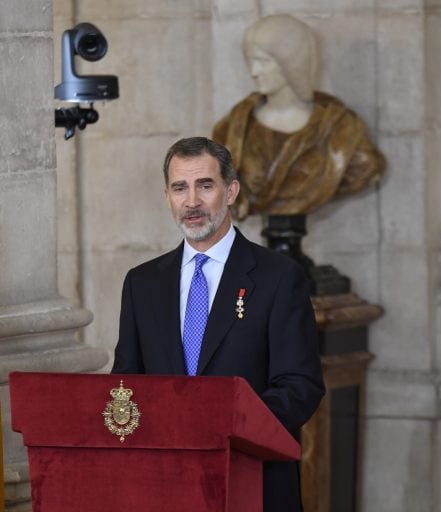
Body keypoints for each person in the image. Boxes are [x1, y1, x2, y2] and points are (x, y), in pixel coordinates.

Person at [112, 136, 325, 512]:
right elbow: (127, 383)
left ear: (230, 191)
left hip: (252, 481)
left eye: (204, 185)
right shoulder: (142, 283)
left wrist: (224, 426)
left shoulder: (279, 277)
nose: (192, 201)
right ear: (167, 197)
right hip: (165, 486)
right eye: (180, 188)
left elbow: (300, 386)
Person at [213, 14, 385, 221]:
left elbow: (365, 171)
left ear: (291, 64)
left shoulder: (340, 129)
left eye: (263, 62)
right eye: (250, 61)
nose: (254, 71)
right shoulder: (231, 130)